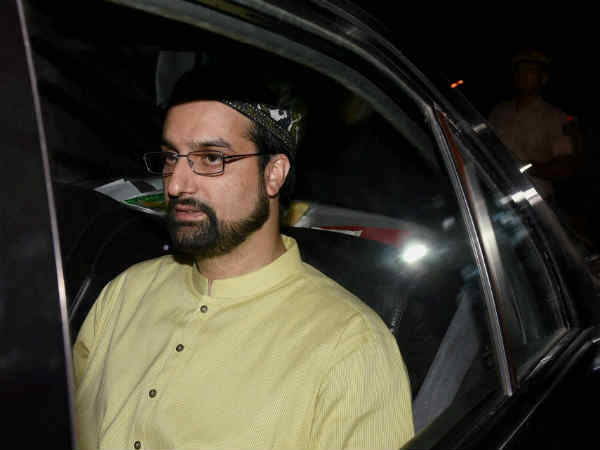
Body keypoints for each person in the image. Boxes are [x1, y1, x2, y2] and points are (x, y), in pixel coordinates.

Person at [73, 69, 414, 449]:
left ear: (273, 174)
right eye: (171, 158)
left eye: (211, 158)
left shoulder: (350, 346)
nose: (176, 184)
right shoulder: (125, 292)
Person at [488, 48, 580, 202]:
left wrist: (522, 167)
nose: (523, 76)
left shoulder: (554, 117)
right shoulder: (499, 112)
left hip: (536, 200)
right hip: (496, 194)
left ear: (543, 78)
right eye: (519, 71)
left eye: (530, 71)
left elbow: (564, 168)